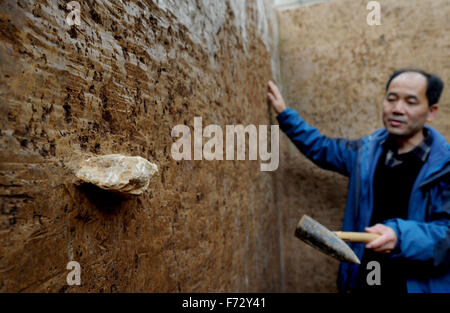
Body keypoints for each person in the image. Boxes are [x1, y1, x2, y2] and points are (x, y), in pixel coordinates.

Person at [267, 69, 449, 293]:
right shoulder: (366, 153)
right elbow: (323, 149)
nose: (397, 109)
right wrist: (286, 116)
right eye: (391, 99)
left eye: (411, 102)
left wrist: (400, 236)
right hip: (368, 272)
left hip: (414, 283)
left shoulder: (445, 168)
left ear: (431, 111)